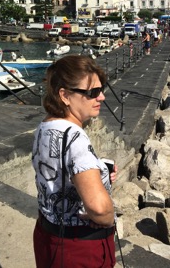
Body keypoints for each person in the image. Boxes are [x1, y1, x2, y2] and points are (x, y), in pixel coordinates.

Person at [32, 55, 117, 267]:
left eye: (101, 89)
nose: (102, 97)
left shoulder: (46, 126)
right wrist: (109, 218)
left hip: (47, 234)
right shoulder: (75, 138)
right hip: (79, 247)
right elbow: (99, 209)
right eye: (92, 92)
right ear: (65, 95)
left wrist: (100, 171)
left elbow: (58, 169)